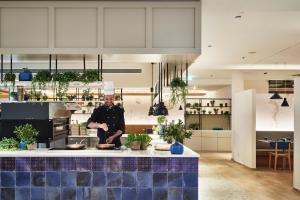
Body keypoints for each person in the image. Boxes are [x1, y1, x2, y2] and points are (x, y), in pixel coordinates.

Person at [86, 82, 125, 147]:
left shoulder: (119, 110)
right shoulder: (98, 110)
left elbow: (121, 129)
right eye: (107, 99)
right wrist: (100, 125)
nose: (109, 101)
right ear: (104, 98)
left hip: (116, 143)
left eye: (111, 99)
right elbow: (89, 124)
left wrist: (113, 137)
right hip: (102, 144)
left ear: (114, 98)